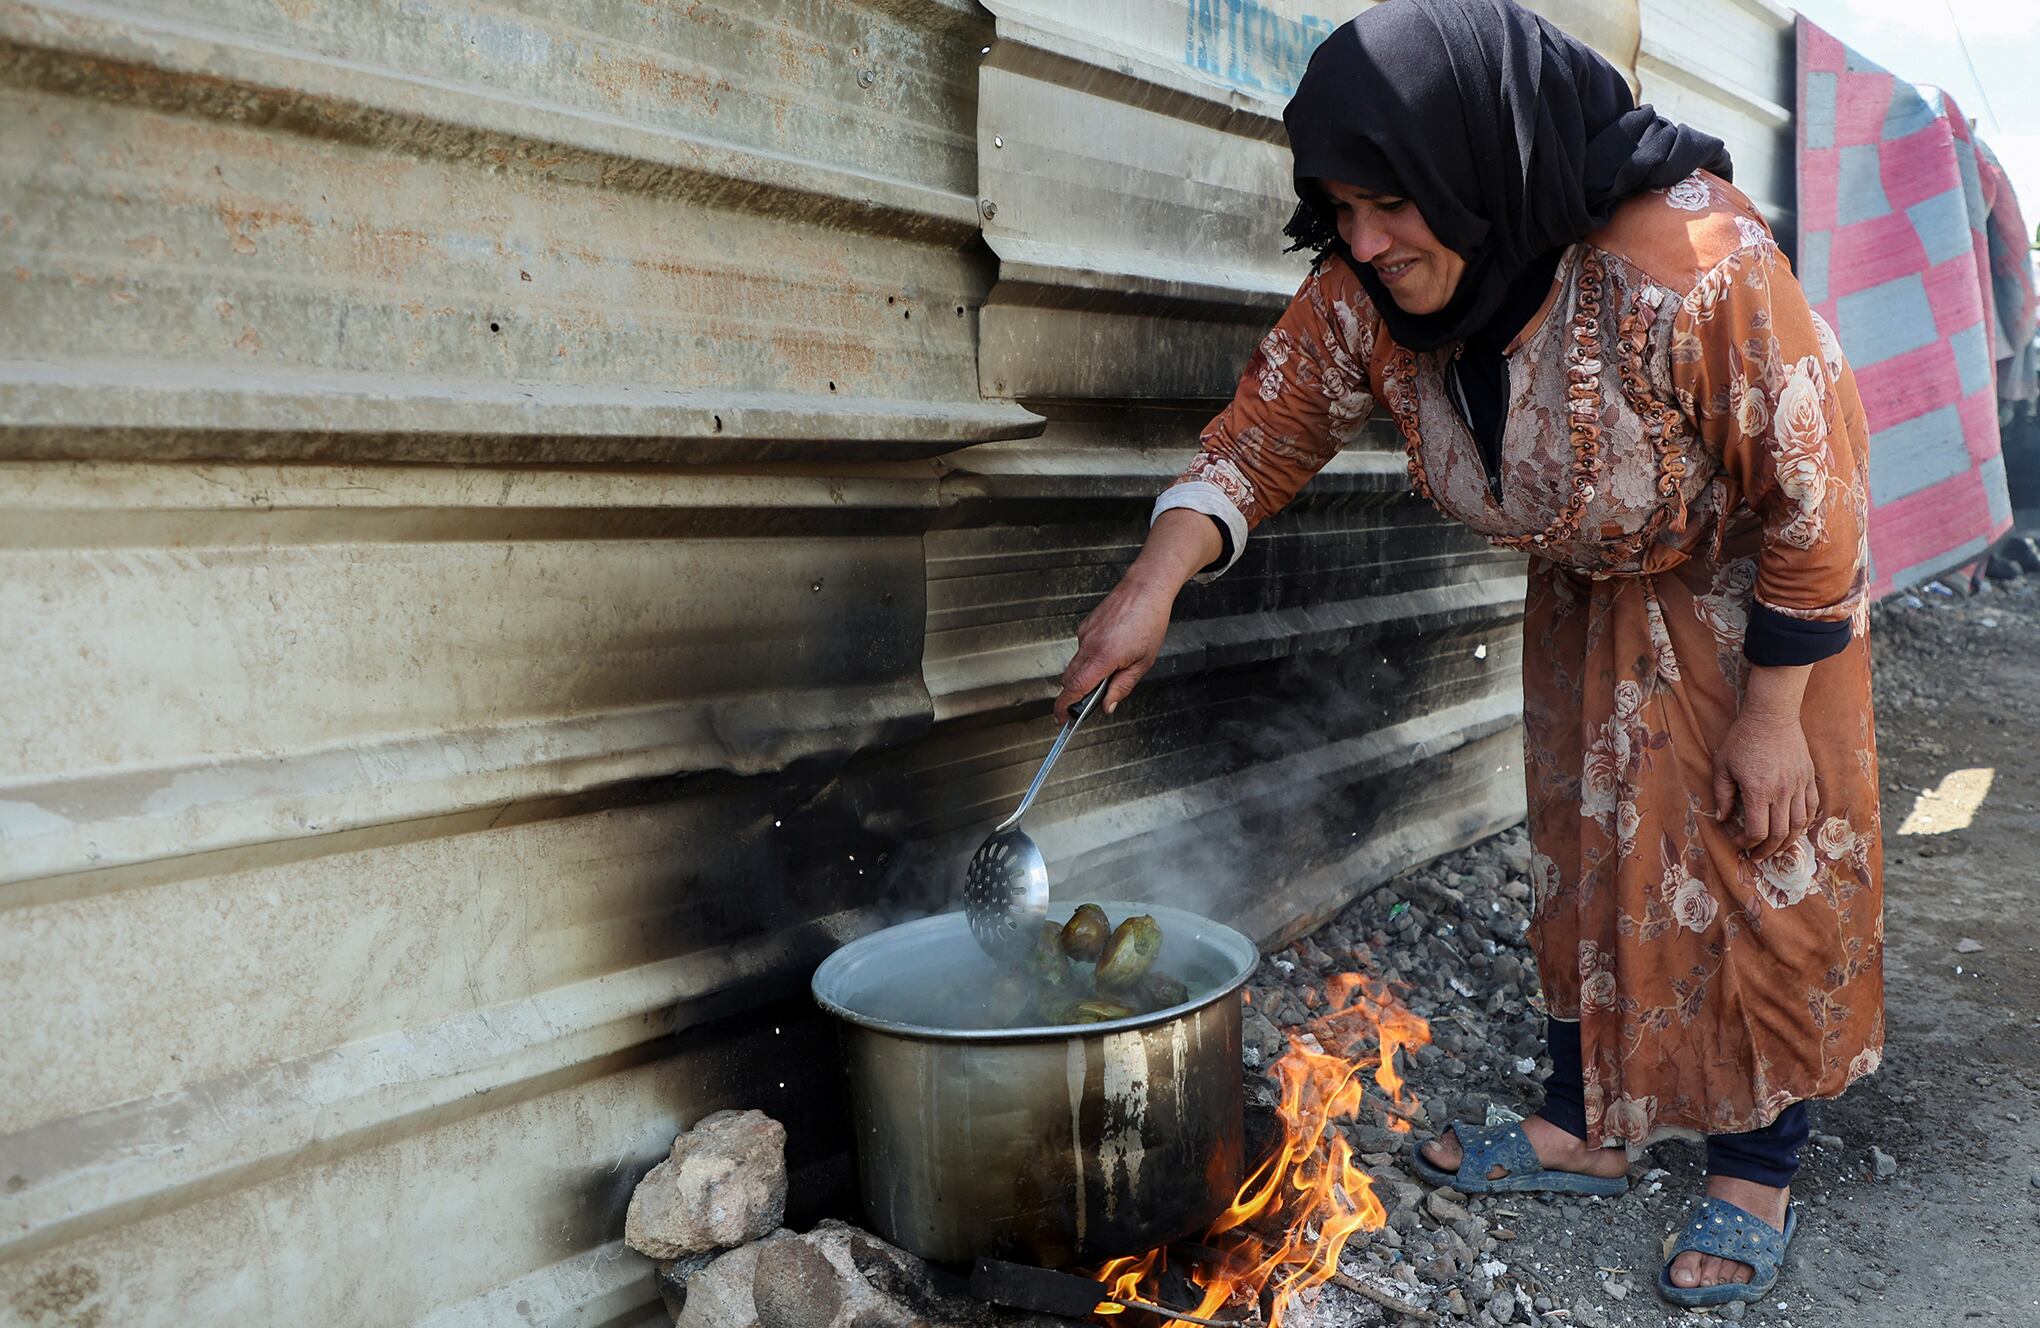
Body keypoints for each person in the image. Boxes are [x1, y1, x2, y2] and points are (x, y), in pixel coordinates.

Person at [1052, 0, 1882, 1309]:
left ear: (1473, 169)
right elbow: (1263, 436)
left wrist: (1775, 712)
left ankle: (1755, 1163)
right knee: (1588, 850)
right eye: (1341, 209)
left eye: (1388, 204)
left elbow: (1817, 487)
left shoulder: (1688, 263)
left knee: (1750, 851)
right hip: (1589, 593)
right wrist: (1151, 582)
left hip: (1750, 597)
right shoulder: (1368, 290)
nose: (1366, 242)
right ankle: (1588, 1125)